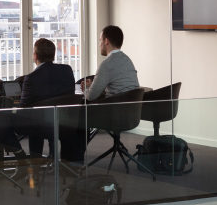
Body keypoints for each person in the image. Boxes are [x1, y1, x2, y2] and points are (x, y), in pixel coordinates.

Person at [15, 38, 85, 172]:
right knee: (38, 118)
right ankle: (64, 164)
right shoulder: (67, 70)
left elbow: (23, 110)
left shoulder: (31, 78)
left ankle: (30, 163)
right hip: (65, 123)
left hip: (42, 127)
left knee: (32, 120)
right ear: (53, 55)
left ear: (35, 56)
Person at [84, 25, 139, 101]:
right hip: (133, 110)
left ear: (106, 41)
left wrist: (85, 88)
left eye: (100, 40)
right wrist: (92, 86)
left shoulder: (106, 65)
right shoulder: (128, 60)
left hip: (113, 110)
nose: (99, 45)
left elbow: (90, 96)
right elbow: (118, 87)